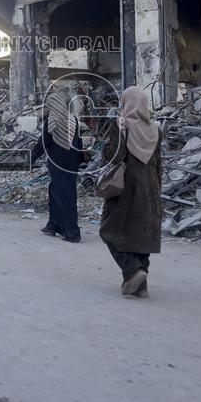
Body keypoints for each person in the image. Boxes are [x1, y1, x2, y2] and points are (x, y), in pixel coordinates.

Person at [99, 86, 162, 298]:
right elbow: (159, 164)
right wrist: (157, 192)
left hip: (127, 189)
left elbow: (115, 156)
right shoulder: (155, 129)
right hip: (150, 188)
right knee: (141, 236)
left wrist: (104, 151)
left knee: (109, 230)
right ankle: (140, 287)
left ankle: (132, 271)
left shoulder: (121, 125)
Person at [31, 89, 86, 243]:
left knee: (65, 196)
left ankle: (72, 232)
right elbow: (78, 141)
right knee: (55, 191)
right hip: (72, 163)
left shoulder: (52, 121)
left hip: (59, 164)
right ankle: (53, 225)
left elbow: (43, 143)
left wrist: (29, 159)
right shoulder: (73, 119)